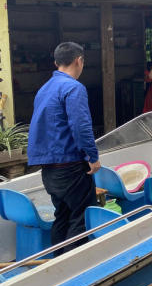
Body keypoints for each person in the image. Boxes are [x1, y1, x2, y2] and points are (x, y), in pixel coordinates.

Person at [27, 42, 100, 256]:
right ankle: (72, 268)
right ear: (79, 60)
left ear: (56, 62)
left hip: (49, 170)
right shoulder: (73, 88)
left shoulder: (44, 88)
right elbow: (80, 126)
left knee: (62, 215)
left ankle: (57, 260)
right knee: (81, 217)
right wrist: (92, 157)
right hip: (70, 167)